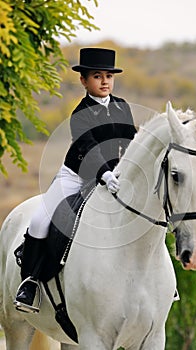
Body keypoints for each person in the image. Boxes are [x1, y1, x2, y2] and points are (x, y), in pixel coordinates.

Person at [14, 47, 137, 313]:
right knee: (39, 221)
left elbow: (130, 140)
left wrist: (129, 170)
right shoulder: (79, 112)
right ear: (83, 80)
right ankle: (30, 282)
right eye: (97, 76)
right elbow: (86, 146)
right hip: (76, 174)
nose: (104, 81)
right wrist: (104, 173)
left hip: (115, 174)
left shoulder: (121, 106)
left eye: (109, 76)